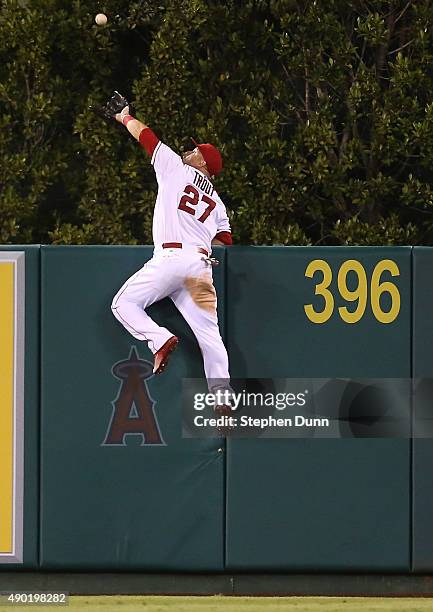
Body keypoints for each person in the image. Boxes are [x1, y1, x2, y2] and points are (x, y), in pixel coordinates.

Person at [107, 93, 233, 398]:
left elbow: (147, 137)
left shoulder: (176, 167)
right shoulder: (217, 202)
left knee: (122, 304)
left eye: (195, 150)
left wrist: (124, 116)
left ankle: (159, 339)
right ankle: (223, 397)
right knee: (210, 337)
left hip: (171, 258)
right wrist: (202, 244)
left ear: (202, 161)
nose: (188, 150)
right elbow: (225, 240)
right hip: (200, 267)